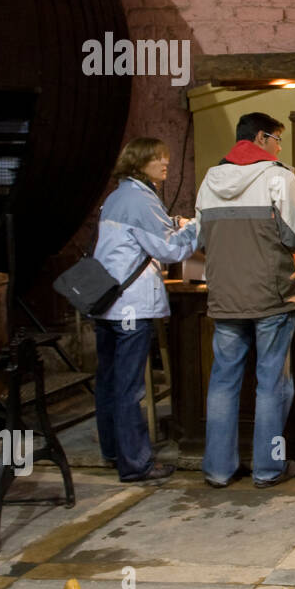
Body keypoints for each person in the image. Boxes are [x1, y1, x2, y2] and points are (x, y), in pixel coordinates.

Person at [195, 112, 295, 489]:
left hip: (224, 295)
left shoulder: (210, 178)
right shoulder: (278, 176)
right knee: (271, 383)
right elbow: (294, 236)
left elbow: (200, 240)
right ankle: (268, 467)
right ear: (261, 138)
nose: (279, 147)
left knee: (223, 383)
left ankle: (218, 470)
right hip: (270, 295)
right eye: (277, 138)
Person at [92, 138, 199, 483]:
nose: (165, 164)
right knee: (129, 387)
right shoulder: (140, 198)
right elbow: (170, 249)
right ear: (140, 163)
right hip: (130, 306)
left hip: (105, 301)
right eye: (158, 159)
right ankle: (136, 463)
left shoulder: (117, 196)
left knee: (109, 382)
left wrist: (169, 222)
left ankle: (113, 449)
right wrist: (200, 225)